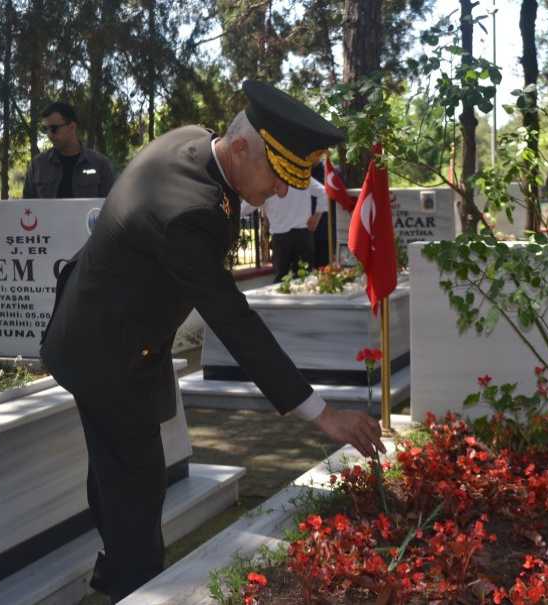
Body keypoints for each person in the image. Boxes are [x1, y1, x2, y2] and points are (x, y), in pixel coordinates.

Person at [39, 81, 385, 602]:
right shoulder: (190, 211)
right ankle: (134, 587)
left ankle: (113, 568)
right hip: (106, 354)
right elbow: (233, 319)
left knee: (119, 471)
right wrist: (322, 413)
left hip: (115, 333)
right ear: (243, 147)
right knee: (136, 488)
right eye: (279, 175)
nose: (285, 191)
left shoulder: (196, 143)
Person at [241, 176, 328, 281]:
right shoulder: (299, 175)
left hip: (283, 237)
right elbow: (323, 192)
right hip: (301, 235)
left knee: (282, 280)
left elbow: (247, 206)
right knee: (304, 278)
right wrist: (317, 216)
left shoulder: (267, 180)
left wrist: (229, 213)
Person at [22, 101, 115, 199]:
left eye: (54, 128)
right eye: (45, 129)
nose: (49, 135)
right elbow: (26, 208)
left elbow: (111, 207)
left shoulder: (100, 164)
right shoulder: (38, 166)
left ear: (72, 127)